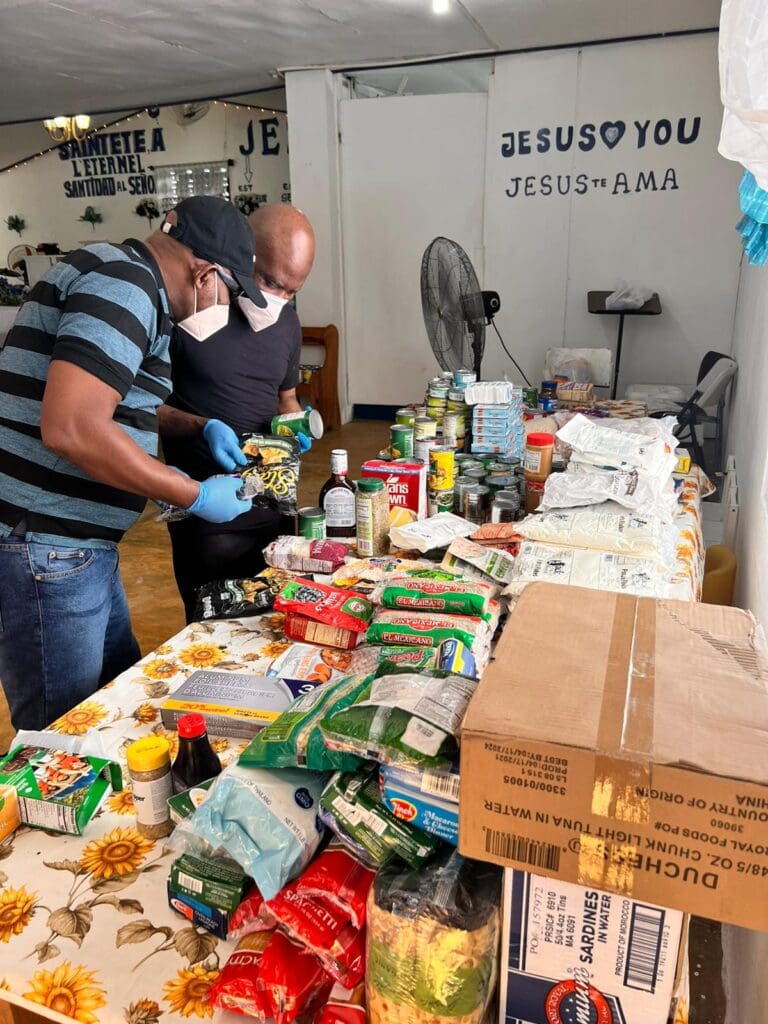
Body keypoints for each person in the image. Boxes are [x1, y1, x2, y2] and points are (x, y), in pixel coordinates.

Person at [0, 196, 264, 731]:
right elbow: (72, 425)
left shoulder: (119, 274)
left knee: (118, 701)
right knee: (62, 737)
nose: (226, 307)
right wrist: (189, 493)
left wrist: (197, 425)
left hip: (78, 550)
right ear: (205, 272)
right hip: (47, 548)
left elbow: (118, 399)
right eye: (230, 294)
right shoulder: (124, 287)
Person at [160, 204, 316, 621]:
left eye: (291, 290)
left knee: (272, 627)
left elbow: (286, 396)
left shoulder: (287, 323)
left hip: (273, 512)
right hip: (207, 513)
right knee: (209, 635)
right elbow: (139, 408)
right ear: (243, 258)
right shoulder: (190, 305)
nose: (277, 299)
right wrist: (202, 427)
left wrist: (294, 425)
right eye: (268, 282)